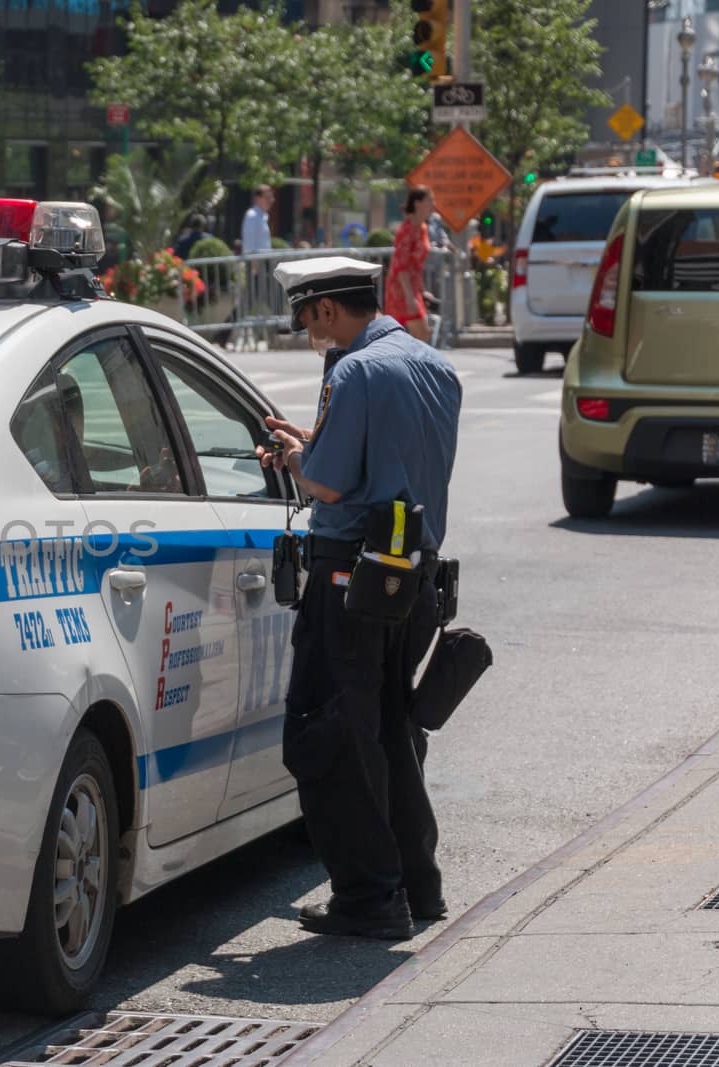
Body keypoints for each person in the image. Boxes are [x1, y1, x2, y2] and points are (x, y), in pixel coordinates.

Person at [258, 256, 462, 942]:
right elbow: (389, 461)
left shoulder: (354, 371)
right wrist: (312, 445)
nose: (311, 335)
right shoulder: (431, 364)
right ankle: (417, 885)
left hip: (352, 575)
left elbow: (332, 487)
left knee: (328, 735)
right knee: (388, 732)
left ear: (324, 309)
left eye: (308, 320)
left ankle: (372, 897)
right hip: (414, 574)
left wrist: (294, 461)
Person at [386, 185, 436, 343]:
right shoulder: (407, 230)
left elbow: (416, 265)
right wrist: (409, 297)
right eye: (430, 201)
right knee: (421, 336)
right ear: (417, 204)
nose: (433, 205)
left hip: (412, 288)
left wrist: (422, 290)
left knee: (418, 338)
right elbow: (401, 265)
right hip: (401, 289)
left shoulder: (422, 228)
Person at [241, 186, 274, 256]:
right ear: (258, 199)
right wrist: (254, 266)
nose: (271, 200)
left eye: (271, 197)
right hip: (257, 263)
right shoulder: (252, 216)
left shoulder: (263, 216)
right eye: (267, 197)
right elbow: (249, 247)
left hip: (264, 262)